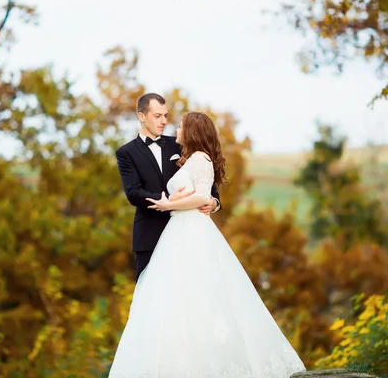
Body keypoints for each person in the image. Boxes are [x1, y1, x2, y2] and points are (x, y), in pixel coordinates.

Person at [108, 111, 307, 378]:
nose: (172, 126)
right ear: (142, 115)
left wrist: (173, 204)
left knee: (199, 294)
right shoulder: (179, 156)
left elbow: (204, 195)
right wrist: (173, 201)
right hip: (177, 231)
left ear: (190, 131)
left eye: (178, 124)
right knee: (177, 299)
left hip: (191, 231)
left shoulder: (199, 158)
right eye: (161, 116)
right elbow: (138, 191)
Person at [115, 93, 221, 281]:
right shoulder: (126, 153)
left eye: (165, 115)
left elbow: (206, 180)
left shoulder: (180, 143)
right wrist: (167, 200)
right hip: (149, 236)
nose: (164, 121)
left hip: (187, 234)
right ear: (141, 116)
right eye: (157, 116)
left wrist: (214, 202)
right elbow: (133, 192)